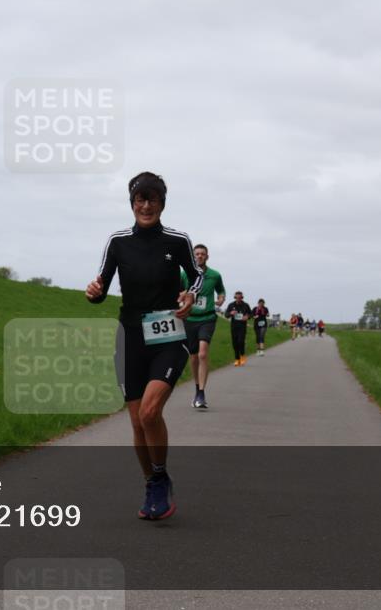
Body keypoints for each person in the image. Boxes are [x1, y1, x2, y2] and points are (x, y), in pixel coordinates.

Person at [85, 172, 201, 520]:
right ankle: (152, 483)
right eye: (140, 199)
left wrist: (190, 295)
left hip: (167, 335)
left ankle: (161, 475)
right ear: (132, 203)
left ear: (162, 204)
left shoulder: (177, 240)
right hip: (130, 337)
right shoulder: (118, 242)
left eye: (152, 199)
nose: (145, 205)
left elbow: (195, 275)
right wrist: (94, 293)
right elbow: (102, 284)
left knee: (151, 411)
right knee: (137, 423)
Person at [181, 244, 225, 409]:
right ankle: (196, 387)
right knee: (193, 357)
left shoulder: (214, 275)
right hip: (189, 319)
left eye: (202, 254)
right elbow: (176, 292)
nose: (199, 256)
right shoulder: (185, 274)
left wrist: (221, 298)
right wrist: (182, 296)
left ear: (207, 257)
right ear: (193, 257)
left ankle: (201, 393)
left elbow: (221, 291)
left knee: (202, 354)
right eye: (197, 254)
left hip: (207, 318)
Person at [224, 292, 252, 366]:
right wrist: (231, 313)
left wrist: (247, 317)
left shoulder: (246, 305)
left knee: (241, 341)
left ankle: (242, 356)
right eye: (237, 298)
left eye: (240, 298)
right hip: (234, 326)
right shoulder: (231, 305)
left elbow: (250, 314)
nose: (238, 299)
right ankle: (237, 359)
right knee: (235, 343)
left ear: (242, 297)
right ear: (235, 297)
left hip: (242, 327)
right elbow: (226, 315)